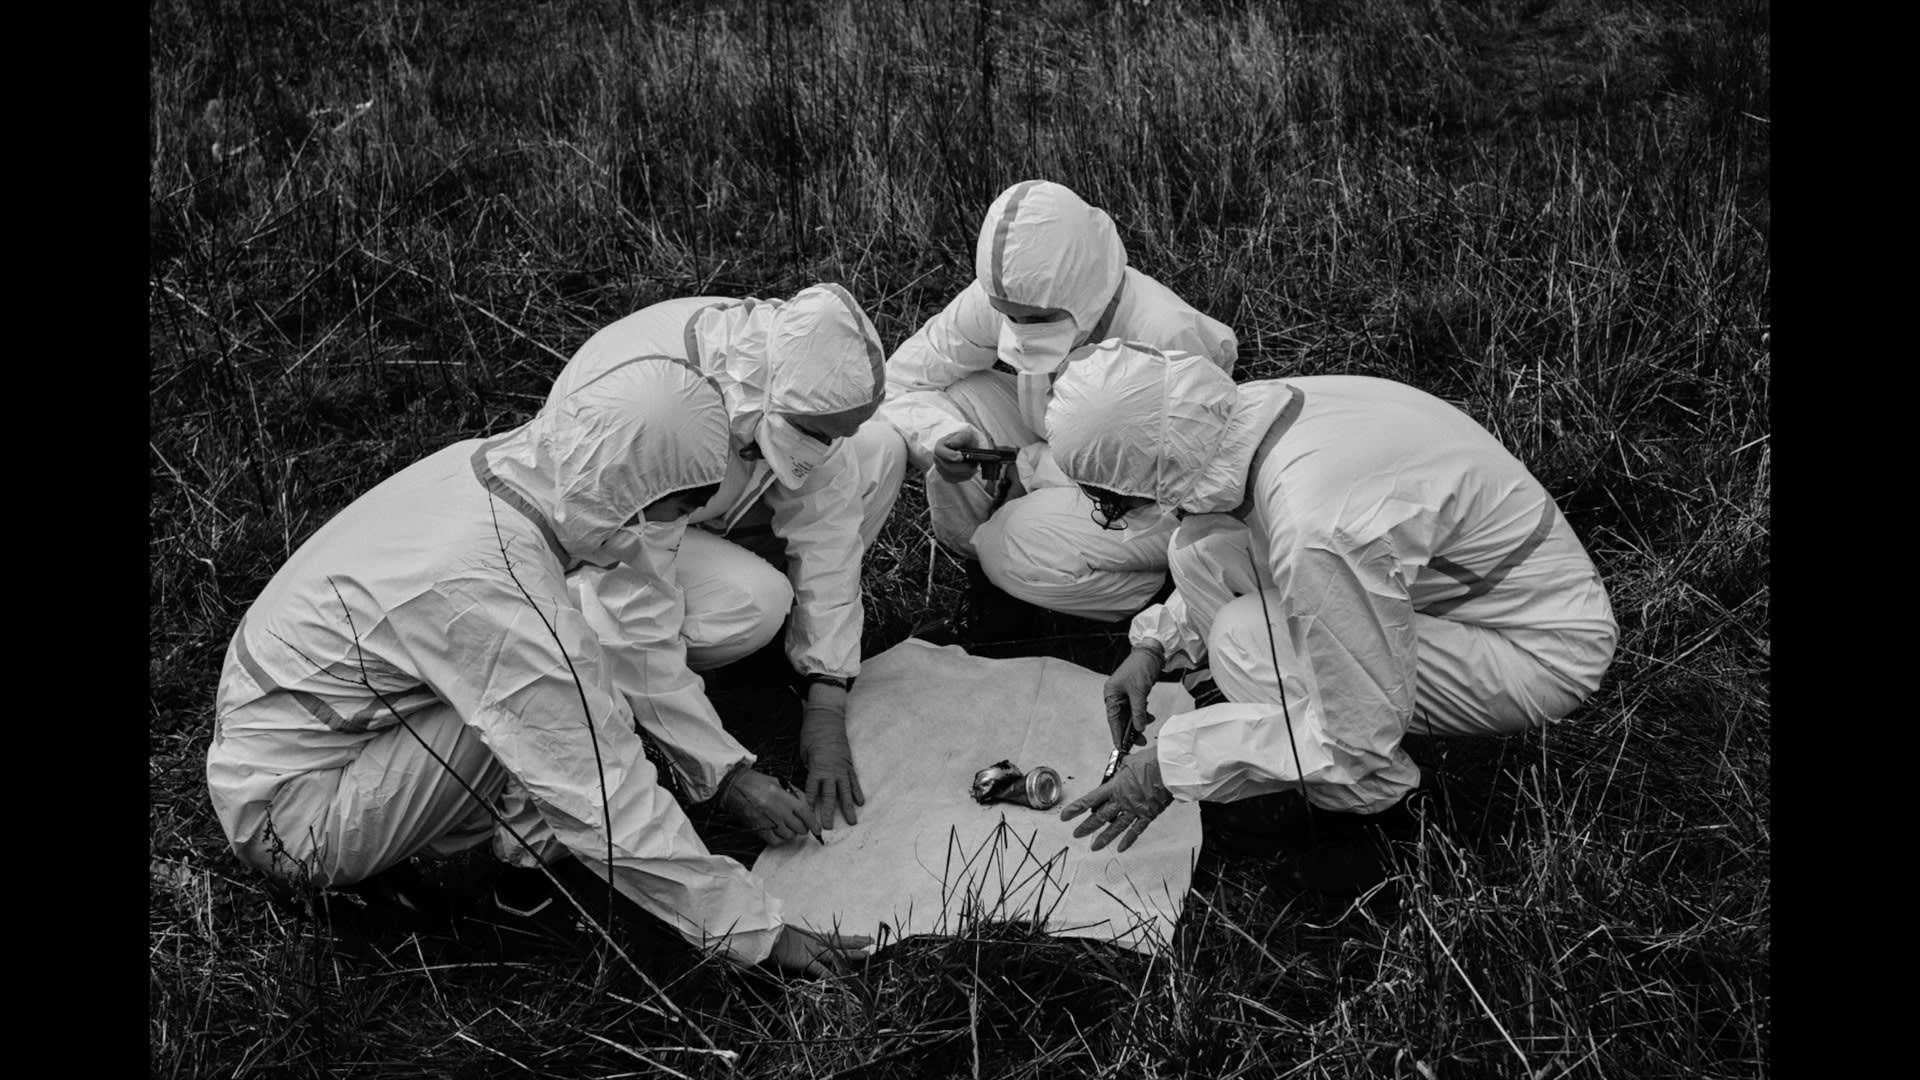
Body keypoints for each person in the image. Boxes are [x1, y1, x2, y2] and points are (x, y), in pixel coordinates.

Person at [205, 356, 867, 974]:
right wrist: (760, 933)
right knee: (555, 714)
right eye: (673, 512)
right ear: (627, 487)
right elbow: (600, 790)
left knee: (563, 677)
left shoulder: (492, 469)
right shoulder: (493, 586)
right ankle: (518, 887)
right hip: (291, 818)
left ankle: (522, 861)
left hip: (304, 744)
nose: (670, 531)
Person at [1048, 342, 1618, 891]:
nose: (1113, 509)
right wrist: (1153, 648)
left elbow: (1360, 733)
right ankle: (1268, 745)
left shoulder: (1317, 530)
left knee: (1246, 639)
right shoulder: (1254, 416)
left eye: (1111, 497)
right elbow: (1236, 539)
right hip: (1461, 590)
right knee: (1198, 547)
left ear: (1157, 468)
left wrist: (1170, 765)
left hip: (1537, 649)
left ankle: (1380, 823)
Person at [548, 283, 894, 831]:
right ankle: (640, 676)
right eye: (816, 433)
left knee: (883, 451)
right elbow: (636, 610)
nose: (823, 447)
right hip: (612, 553)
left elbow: (828, 529)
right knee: (754, 604)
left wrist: (827, 692)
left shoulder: (789, 379)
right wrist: (723, 775)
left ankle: (789, 649)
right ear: (774, 395)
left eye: (831, 435)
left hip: (709, 511)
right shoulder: (656, 416)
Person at [843, 180, 1238, 622]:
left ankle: (1152, 597)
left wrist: (1030, 468)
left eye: (1038, 319)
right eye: (1009, 315)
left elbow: (1170, 490)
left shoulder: (1166, 335)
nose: (1019, 327)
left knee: (1011, 539)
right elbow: (904, 379)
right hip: (1054, 448)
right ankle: (991, 590)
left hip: (1147, 503)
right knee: (956, 397)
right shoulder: (1006, 297)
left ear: (1082, 285)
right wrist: (942, 438)